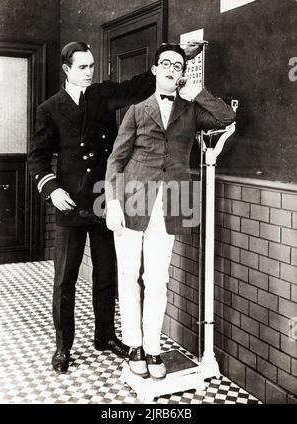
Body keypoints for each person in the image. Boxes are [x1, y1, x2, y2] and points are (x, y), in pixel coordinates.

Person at [105, 43, 236, 380]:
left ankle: (152, 349)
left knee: (158, 279)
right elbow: (115, 160)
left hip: (174, 200)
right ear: (154, 70)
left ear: (181, 74)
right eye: (165, 63)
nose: (170, 69)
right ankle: (133, 344)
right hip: (132, 196)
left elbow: (226, 117)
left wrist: (197, 91)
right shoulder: (135, 110)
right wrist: (113, 203)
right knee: (128, 274)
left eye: (177, 66)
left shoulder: (191, 109)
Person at [28, 41, 158, 373]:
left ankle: (105, 336)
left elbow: (135, 87)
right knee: (65, 279)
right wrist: (52, 189)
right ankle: (62, 347)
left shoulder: (101, 96)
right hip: (70, 204)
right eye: (83, 67)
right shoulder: (50, 108)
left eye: (91, 66)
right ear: (67, 69)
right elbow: (37, 158)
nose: (90, 72)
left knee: (105, 274)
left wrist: (167, 62)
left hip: (104, 201)